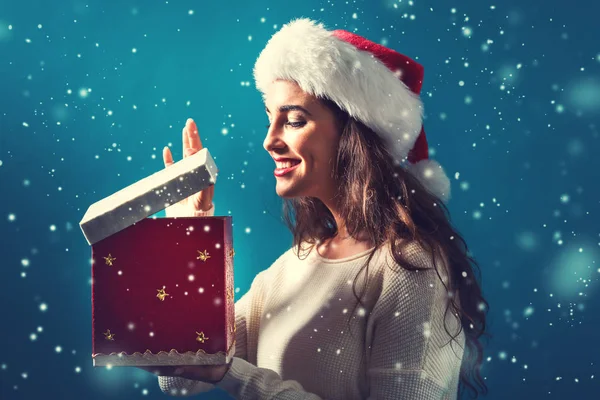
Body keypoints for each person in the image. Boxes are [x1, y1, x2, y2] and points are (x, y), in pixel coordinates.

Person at [142, 18, 489, 399]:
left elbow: (213, 369)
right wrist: (191, 229)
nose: (269, 140)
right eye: (269, 118)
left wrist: (236, 375)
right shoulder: (289, 269)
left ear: (353, 134)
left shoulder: (411, 271)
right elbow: (178, 373)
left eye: (294, 120)